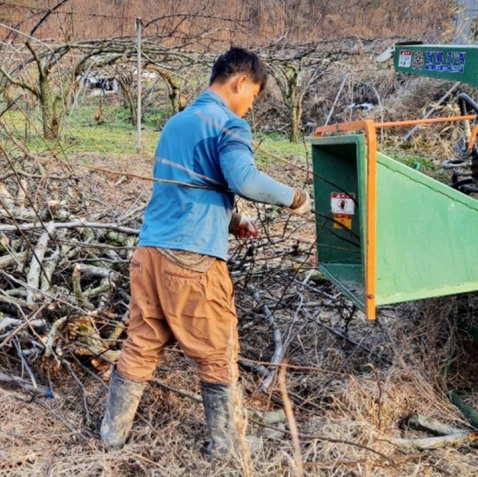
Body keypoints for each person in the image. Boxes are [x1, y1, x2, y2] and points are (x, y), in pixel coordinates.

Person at [100, 47, 311, 457]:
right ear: (241, 82)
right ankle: (228, 447)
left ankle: (112, 435)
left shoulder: (176, 123)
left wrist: (232, 222)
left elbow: (186, 186)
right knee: (218, 350)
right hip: (192, 260)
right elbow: (244, 179)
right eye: (253, 96)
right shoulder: (229, 125)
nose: (250, 106)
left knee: (142, 343)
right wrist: (295, 197)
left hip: (149, 253)